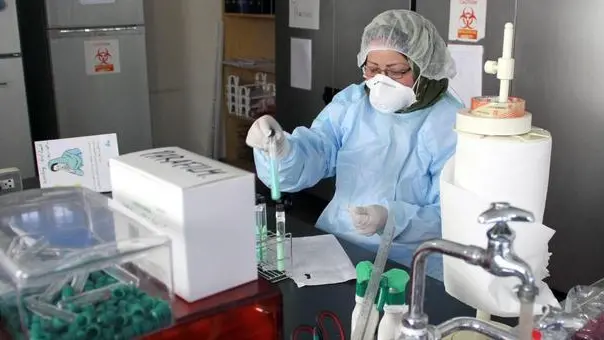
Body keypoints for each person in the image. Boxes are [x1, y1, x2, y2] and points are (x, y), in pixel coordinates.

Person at [246, 9, 462, 281]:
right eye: (371, 69)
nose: (380, 81)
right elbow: (318, 149)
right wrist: (280, 149)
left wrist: (389, 219)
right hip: (338, 246)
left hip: (409, 265)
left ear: (425, 69)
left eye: (395, 72)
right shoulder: (353, 103)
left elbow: (452, 216)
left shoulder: (450, 125)